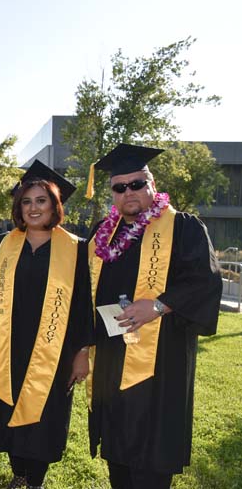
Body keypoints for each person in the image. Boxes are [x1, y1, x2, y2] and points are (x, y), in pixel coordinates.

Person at [86, 143, 222, 489]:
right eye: (120, 187)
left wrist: (159, 305)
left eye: (137, 184)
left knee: (152, 443)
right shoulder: (103, 234)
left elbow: (204, 281)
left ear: (152, 184)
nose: (129, 192)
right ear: (112, 193)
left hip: (162, 358)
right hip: (112, 354)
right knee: (117, 441)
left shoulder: (184, 228)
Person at [0, 161, 94, 489]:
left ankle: (35, 479)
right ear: (18, 207)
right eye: (27, 201)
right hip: (6, 345)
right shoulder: (1, 246)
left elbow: (83, 305)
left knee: (43, 412)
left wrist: (82, 352)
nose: (34, 207)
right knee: (7, 406)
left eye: (42, 200)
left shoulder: (77, 249)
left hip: (53, 348)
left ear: (55, 206)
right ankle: (19, 473)